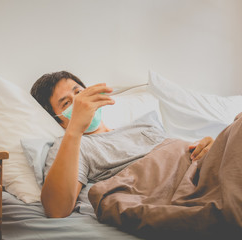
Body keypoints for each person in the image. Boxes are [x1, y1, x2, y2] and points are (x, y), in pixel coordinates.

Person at [30, 71, 214, 218]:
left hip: (202, 174)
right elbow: (56, 209)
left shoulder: (145, 125)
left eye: (79, 93)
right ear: (58, 120)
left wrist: (207, 147)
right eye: (67, 103)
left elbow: (181, 154)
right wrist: (75, 130)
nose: (79, 102)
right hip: (177, 191)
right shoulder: (71, 146)